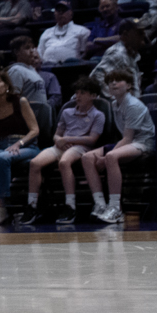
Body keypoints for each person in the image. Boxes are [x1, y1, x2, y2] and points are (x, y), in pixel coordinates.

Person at [26, 77, 106, 224]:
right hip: (61, 146)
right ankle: (32, 205)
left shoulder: (98, 115)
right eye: (77, 92)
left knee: (64, 162)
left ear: (93, 96)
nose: (78, 96)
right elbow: (57, 134)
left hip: (81, 147)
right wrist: (59, 141)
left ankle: (70, 205)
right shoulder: (67, 112)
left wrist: (68, 140)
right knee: (34, 163)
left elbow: (92, 139)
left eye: (82, 93)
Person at [82, 70, 156, 225]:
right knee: (87, 157)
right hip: (128, 141)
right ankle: (101, 204)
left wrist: (105, 157)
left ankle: (116, 208)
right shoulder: (115, 104)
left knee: (111, 157)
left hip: (143, 142)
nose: (114, 83)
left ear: (129, 85)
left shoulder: (133, 105)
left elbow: (128, 138)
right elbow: (125, 138)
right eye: (110, 81)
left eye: (118, 80)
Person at [0, 70, 40, 225]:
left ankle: (3, 207)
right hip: (2, 144)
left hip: (26, 145)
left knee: (2, 158)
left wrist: (19, 144)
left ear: (6, 84)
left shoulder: (20, 101)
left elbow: (35, 130)